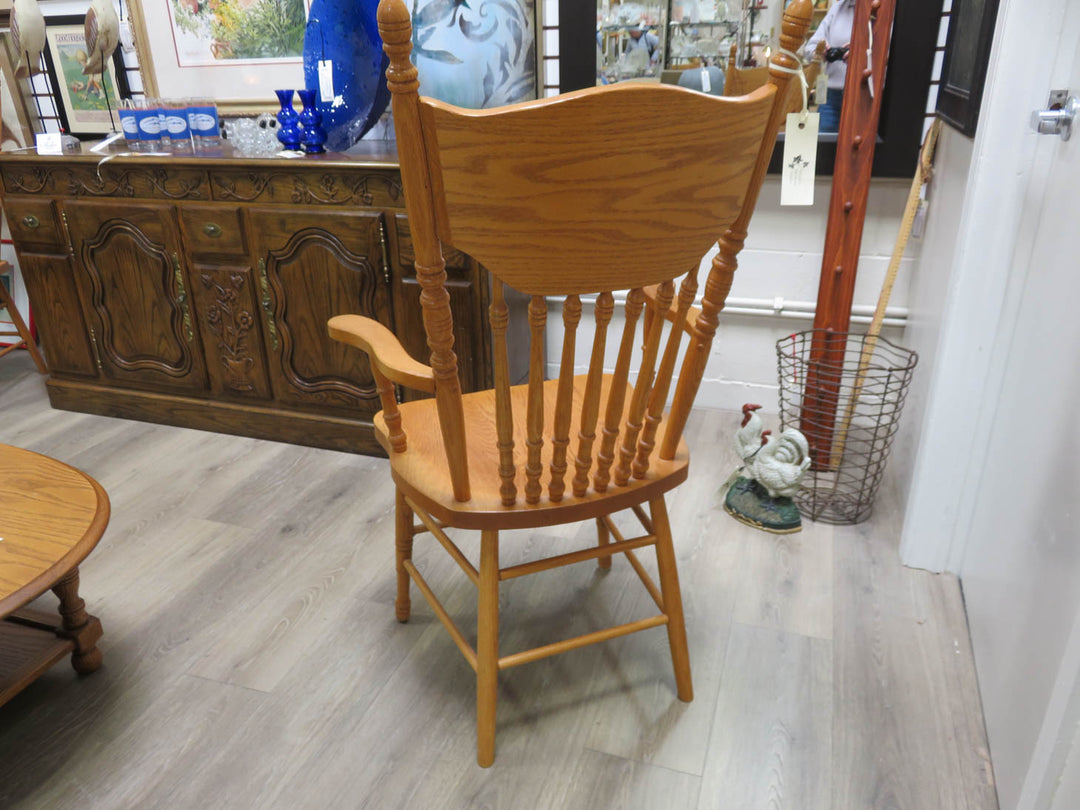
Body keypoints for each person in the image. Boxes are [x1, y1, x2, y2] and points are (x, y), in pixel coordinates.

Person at [805, 0, 855, 133]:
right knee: (824, 142)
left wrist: (862, 56)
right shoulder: (837, 9)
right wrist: (819, 51)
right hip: (831, 97)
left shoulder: (883, 11)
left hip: (865, 97)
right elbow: (809, 49)